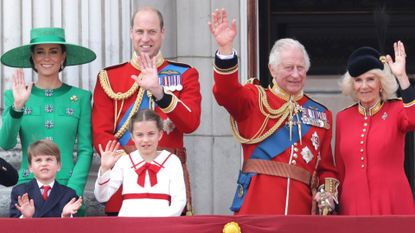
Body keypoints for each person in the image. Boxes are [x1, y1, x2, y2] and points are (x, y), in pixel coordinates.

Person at [209, 8, 338, 215]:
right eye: (288, 68)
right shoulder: (254, 99)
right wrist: (226, 50)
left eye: (301, 67)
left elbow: (327, 169)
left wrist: (326, 194)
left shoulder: (321, 114)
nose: (296, 74)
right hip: (257, 206)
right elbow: (226, 92)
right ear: (272, 69)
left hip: (301, 210)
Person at [92, 7, 201, 215]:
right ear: (131, 32)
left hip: (168, 184)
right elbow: (100, 133)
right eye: (140, 31)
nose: (145, 38)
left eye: (152, 31)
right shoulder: (109, 77)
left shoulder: (185, 74)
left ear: (163, 32)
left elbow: (191, 122)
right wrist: (132, 164)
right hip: (123, 186)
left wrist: (160, 93)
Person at [0, 28, 95, 205]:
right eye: (40, 52)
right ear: (33, 58)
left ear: (63, 57)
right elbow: (6, 143)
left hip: (67, 187)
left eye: (53, 51)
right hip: (26, 190)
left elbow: (85, 149)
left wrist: (73, 191)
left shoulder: (80, 97)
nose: (46, 57)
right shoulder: (14, 96)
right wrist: (18, 106)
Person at [335, 41, 415, 215]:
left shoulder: (396, 110)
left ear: (381, 83)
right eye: (358, 80)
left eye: (370, 79)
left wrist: (402, 77)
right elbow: (340, 169)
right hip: (353, 204)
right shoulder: (343, 118)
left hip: (392, 200)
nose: (364, 86)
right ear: (352, 85)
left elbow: (413, 119)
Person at [94, 109, 186, 217]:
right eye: (140, 135)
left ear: (160, 134)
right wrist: (105, 169)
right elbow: (102, 197)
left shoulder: (172, 161)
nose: (145, 140)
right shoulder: (125, 161)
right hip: (128, 225)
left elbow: (179, 200)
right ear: (132, 137)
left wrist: (163, 224)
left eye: (151, 134)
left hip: (162, 225)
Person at [10, 139, 83, 218]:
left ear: (58, 165)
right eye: (38, 160)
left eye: (49, 159)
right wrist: (26, 217)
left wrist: (65, 216)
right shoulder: (20, 192)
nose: (44, 164)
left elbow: (73, 229)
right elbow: (13, 227)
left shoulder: (69, 194)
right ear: (30, 167)